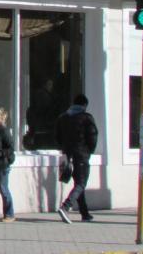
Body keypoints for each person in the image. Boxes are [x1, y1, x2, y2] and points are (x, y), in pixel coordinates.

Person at [55, 93, 98, 223]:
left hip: (68, 155)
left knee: (78, 183)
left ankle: (85, 214)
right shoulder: (86, 118)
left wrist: (64, 148)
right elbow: (93, 136)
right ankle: (66, 206)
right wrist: (89, 150)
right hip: (81, 154)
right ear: (84, 105)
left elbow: (57, 137)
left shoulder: (62, 117)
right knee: (81, 183)